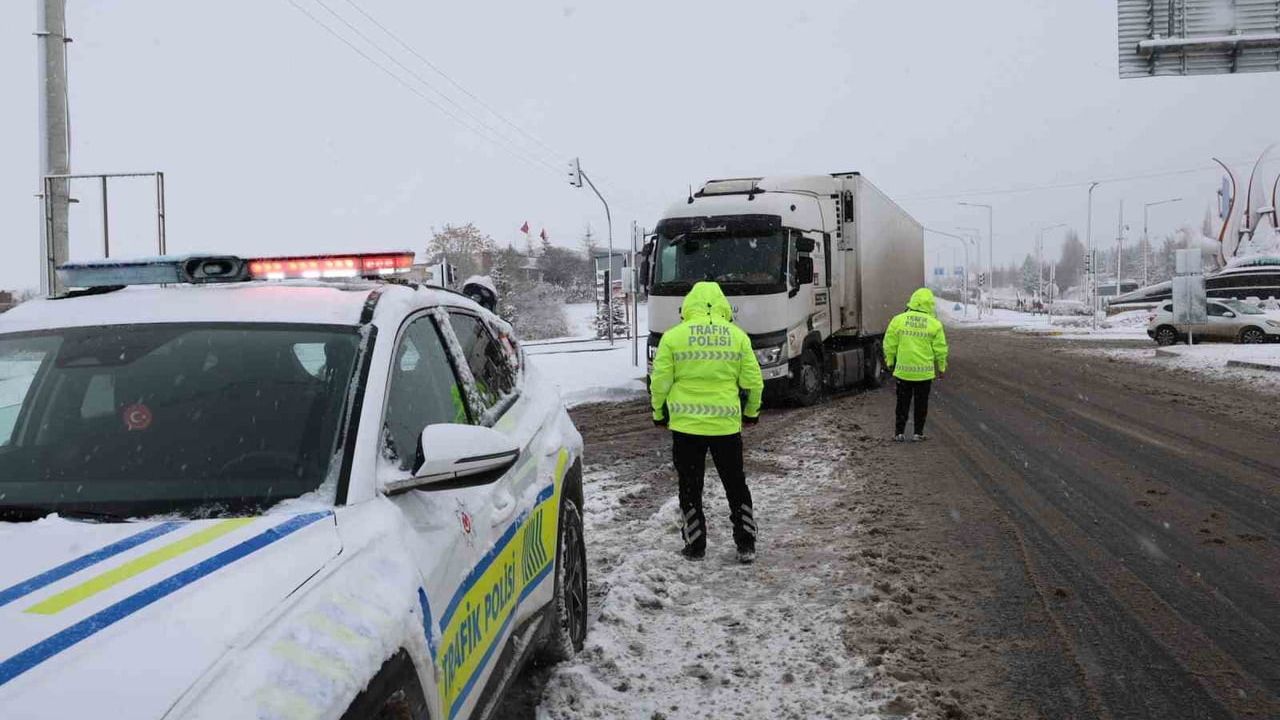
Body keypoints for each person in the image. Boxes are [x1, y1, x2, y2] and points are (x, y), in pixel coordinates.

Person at [649, 281, 764, 563]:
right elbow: (754, 382)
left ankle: (695, 545)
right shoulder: (737, 336)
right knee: (735, 484)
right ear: (723, 305)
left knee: (690, 486)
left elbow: (660, 381)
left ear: (689, 305)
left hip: (686, 427)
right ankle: (745, 544)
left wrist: (659, 413)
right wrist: (751, 412)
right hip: (725, 426)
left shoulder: (673, 337)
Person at [883, 287, 949, 442]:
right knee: (921, 404)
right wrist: (941, 367)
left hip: (903, 372)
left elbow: (889, 343)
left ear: (912, 301)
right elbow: (940, 349)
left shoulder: (898, 320)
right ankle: (918, 433)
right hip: (924, 374)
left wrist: (890, 361)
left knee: (902, 404)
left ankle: (899, 433)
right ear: (930, 304)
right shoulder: (934, 324)